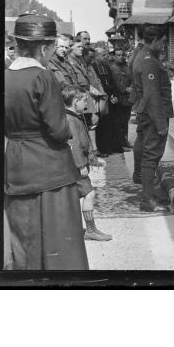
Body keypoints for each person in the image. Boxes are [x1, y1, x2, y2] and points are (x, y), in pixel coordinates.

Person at [4, 13, 88, 269]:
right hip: (50, 169)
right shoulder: (43, 77)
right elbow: (59, 130)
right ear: (43, 47)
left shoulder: (4, 76)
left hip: (16, 166)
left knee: (24, 241)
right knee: (60, 246)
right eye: (52, 47)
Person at [132, 25, 173, 211]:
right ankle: (148, 199)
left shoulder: (144, 56)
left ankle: (149, 194)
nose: (165, 45)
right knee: (151, 155)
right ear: (155, 40)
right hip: (153, 116)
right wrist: (161, 124)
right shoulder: (149, 62)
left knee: (148, 154)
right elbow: (152, 96)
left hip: (146, 114)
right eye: (163, 41)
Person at [62, 84, 112, 241]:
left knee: (74, 197)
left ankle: (72, 228)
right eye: (84, 100)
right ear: (75, 101)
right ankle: (91, 230)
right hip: (75, 166)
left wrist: (93, 160)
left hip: (76, 164)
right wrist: (81, 165)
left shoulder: (73, 116)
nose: (86, 104)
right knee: (89, 194)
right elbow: (74, 144)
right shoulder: (70, 119)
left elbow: (84, 144)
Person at [93, 45, 122, 155]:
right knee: (102, 126)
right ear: (97, 56)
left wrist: (114, 95)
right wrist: (107, 96)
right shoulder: (93, 66)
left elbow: (111, 81)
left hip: (110, 98)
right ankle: (104, 148)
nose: (106, 57)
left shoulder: (106, 66)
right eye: (103, 55)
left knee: (111, 124)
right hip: (102, 98)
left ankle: (112, 147)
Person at [109, 48, 133, 150]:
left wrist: (131, 87)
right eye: (118, 55)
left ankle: (125, 141)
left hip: (127, 99)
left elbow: (132, 78)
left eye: (122, 55)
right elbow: (114, 82)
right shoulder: (111, 68)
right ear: (114, 56)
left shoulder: (127, 67)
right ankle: (120, 143)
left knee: (125, 121)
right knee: (118, 122)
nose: (121, 57)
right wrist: (124, 89)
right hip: (118, 99)